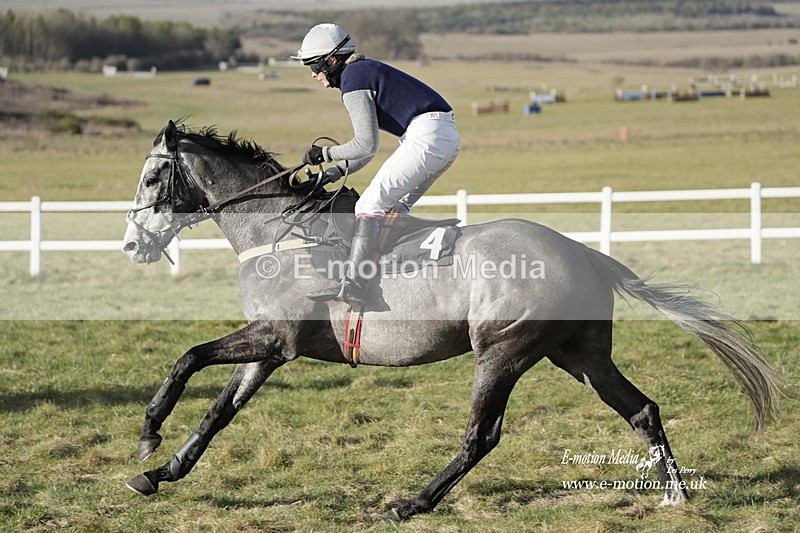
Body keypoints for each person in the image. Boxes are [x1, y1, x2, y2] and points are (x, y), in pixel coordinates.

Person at [293, 23, 460, 306]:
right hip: (441, 137)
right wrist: (332, 173)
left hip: (426, 136)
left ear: (332, 61)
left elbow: (365, 145)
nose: (314, 75)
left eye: (315, 67)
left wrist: (325, 155)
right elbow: (367, 153)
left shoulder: (353, 77)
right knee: (393, 211)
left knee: (368, 207)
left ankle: (355, 286)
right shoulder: (362, 71)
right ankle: (398, 278)